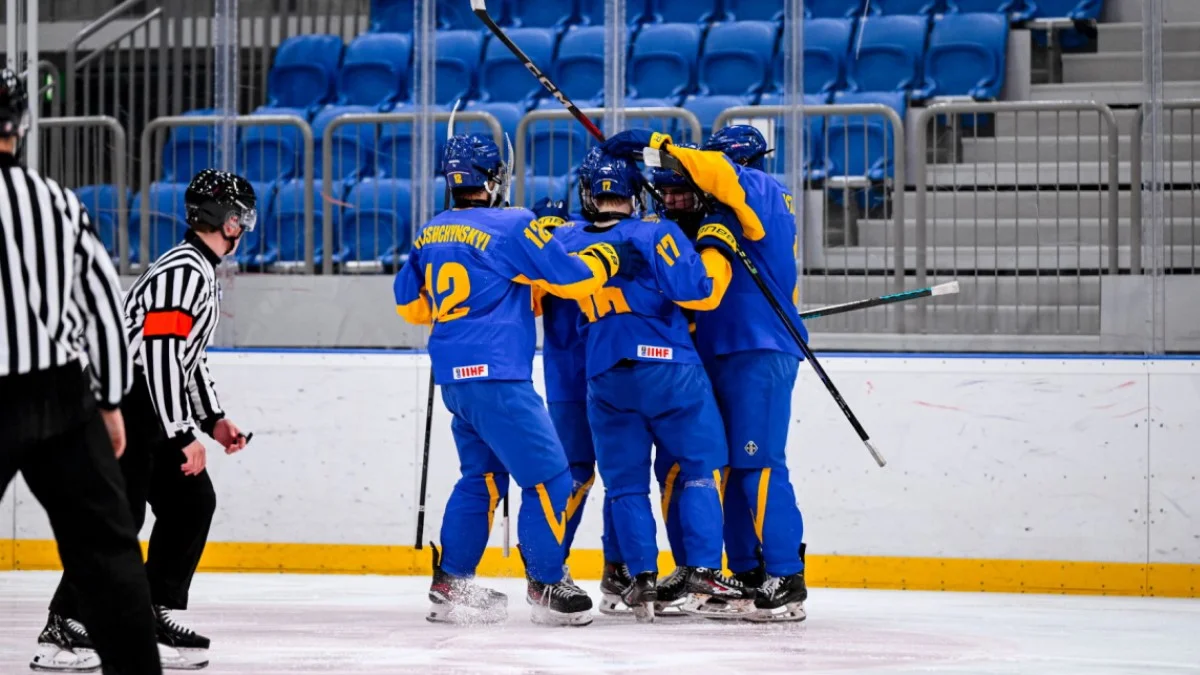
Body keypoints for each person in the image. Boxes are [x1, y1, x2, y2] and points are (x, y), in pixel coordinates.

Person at [393, 134, 636, 627]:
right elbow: (569, 278)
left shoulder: (430, 231)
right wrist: (609, 259)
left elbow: (410, 305)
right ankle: (547, 582)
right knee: (551, 475)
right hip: (499, 376)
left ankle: (451, 583)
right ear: (494, 178)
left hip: (455, 379)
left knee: (480, 477)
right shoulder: (512, 223)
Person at [43, 168, 257, 670]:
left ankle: (150, 611)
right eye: (240, 217)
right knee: (120, 516)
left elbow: (188, 356)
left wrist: (214, 419)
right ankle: (63, 625)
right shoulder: (183, 271)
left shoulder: (198, 270)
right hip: (125, 401)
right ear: (224, 220)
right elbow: (160, 356)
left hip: (144, 400)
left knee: (190, 503)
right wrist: (184, 433)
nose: (244, 227)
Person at [604, 126, 809, 622]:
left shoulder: (759, 190)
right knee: (728, 464)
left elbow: (717, 174)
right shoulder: (726, 214)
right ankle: (745, 571)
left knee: (759, 463)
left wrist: (664, 145)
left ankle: (786, 577)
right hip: (720, 348)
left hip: (755, 350)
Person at [0, 68, 162, 675]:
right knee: (107, 552)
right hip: (60, 395)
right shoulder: (59, 204)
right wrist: (113, 400)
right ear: (20, 124)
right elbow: (102, 305)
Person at [554, 151, 755, 623]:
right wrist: (714, 246)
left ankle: (640, 580)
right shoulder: (654, 231)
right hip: (668, 367)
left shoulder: (566, 238)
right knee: (702, 468)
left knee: (625, 486)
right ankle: (702, 570)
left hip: (604, 371)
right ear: (635, 194)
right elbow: (699, 291)